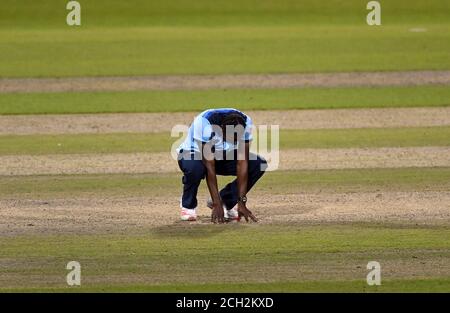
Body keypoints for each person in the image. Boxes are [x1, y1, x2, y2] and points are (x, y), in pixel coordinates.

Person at [177, 108, 267, 223]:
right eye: (232, 139)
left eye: (237, 139)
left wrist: (241, 202)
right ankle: (188, 205)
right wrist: (216, 203)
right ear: (222, 130)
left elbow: (242, 162)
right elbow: (210, 166)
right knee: (195, 169)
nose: (235, 142)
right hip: (194, 153)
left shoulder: (245, 122)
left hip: (222, 154)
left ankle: (226, 201)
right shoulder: (204, 123)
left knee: (258, 164)